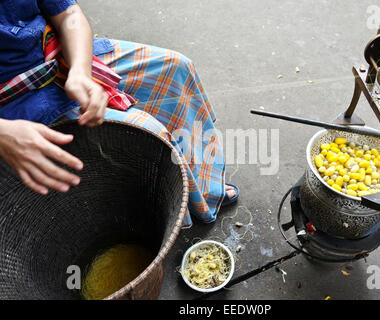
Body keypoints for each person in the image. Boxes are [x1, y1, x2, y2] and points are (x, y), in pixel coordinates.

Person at [0, 0, 238, 227]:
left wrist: (80, 72)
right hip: (14, 105)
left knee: (176, 68)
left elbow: (68, 14)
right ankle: (172, 213)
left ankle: (204, 193)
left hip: (54, 52)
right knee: (148, 133)